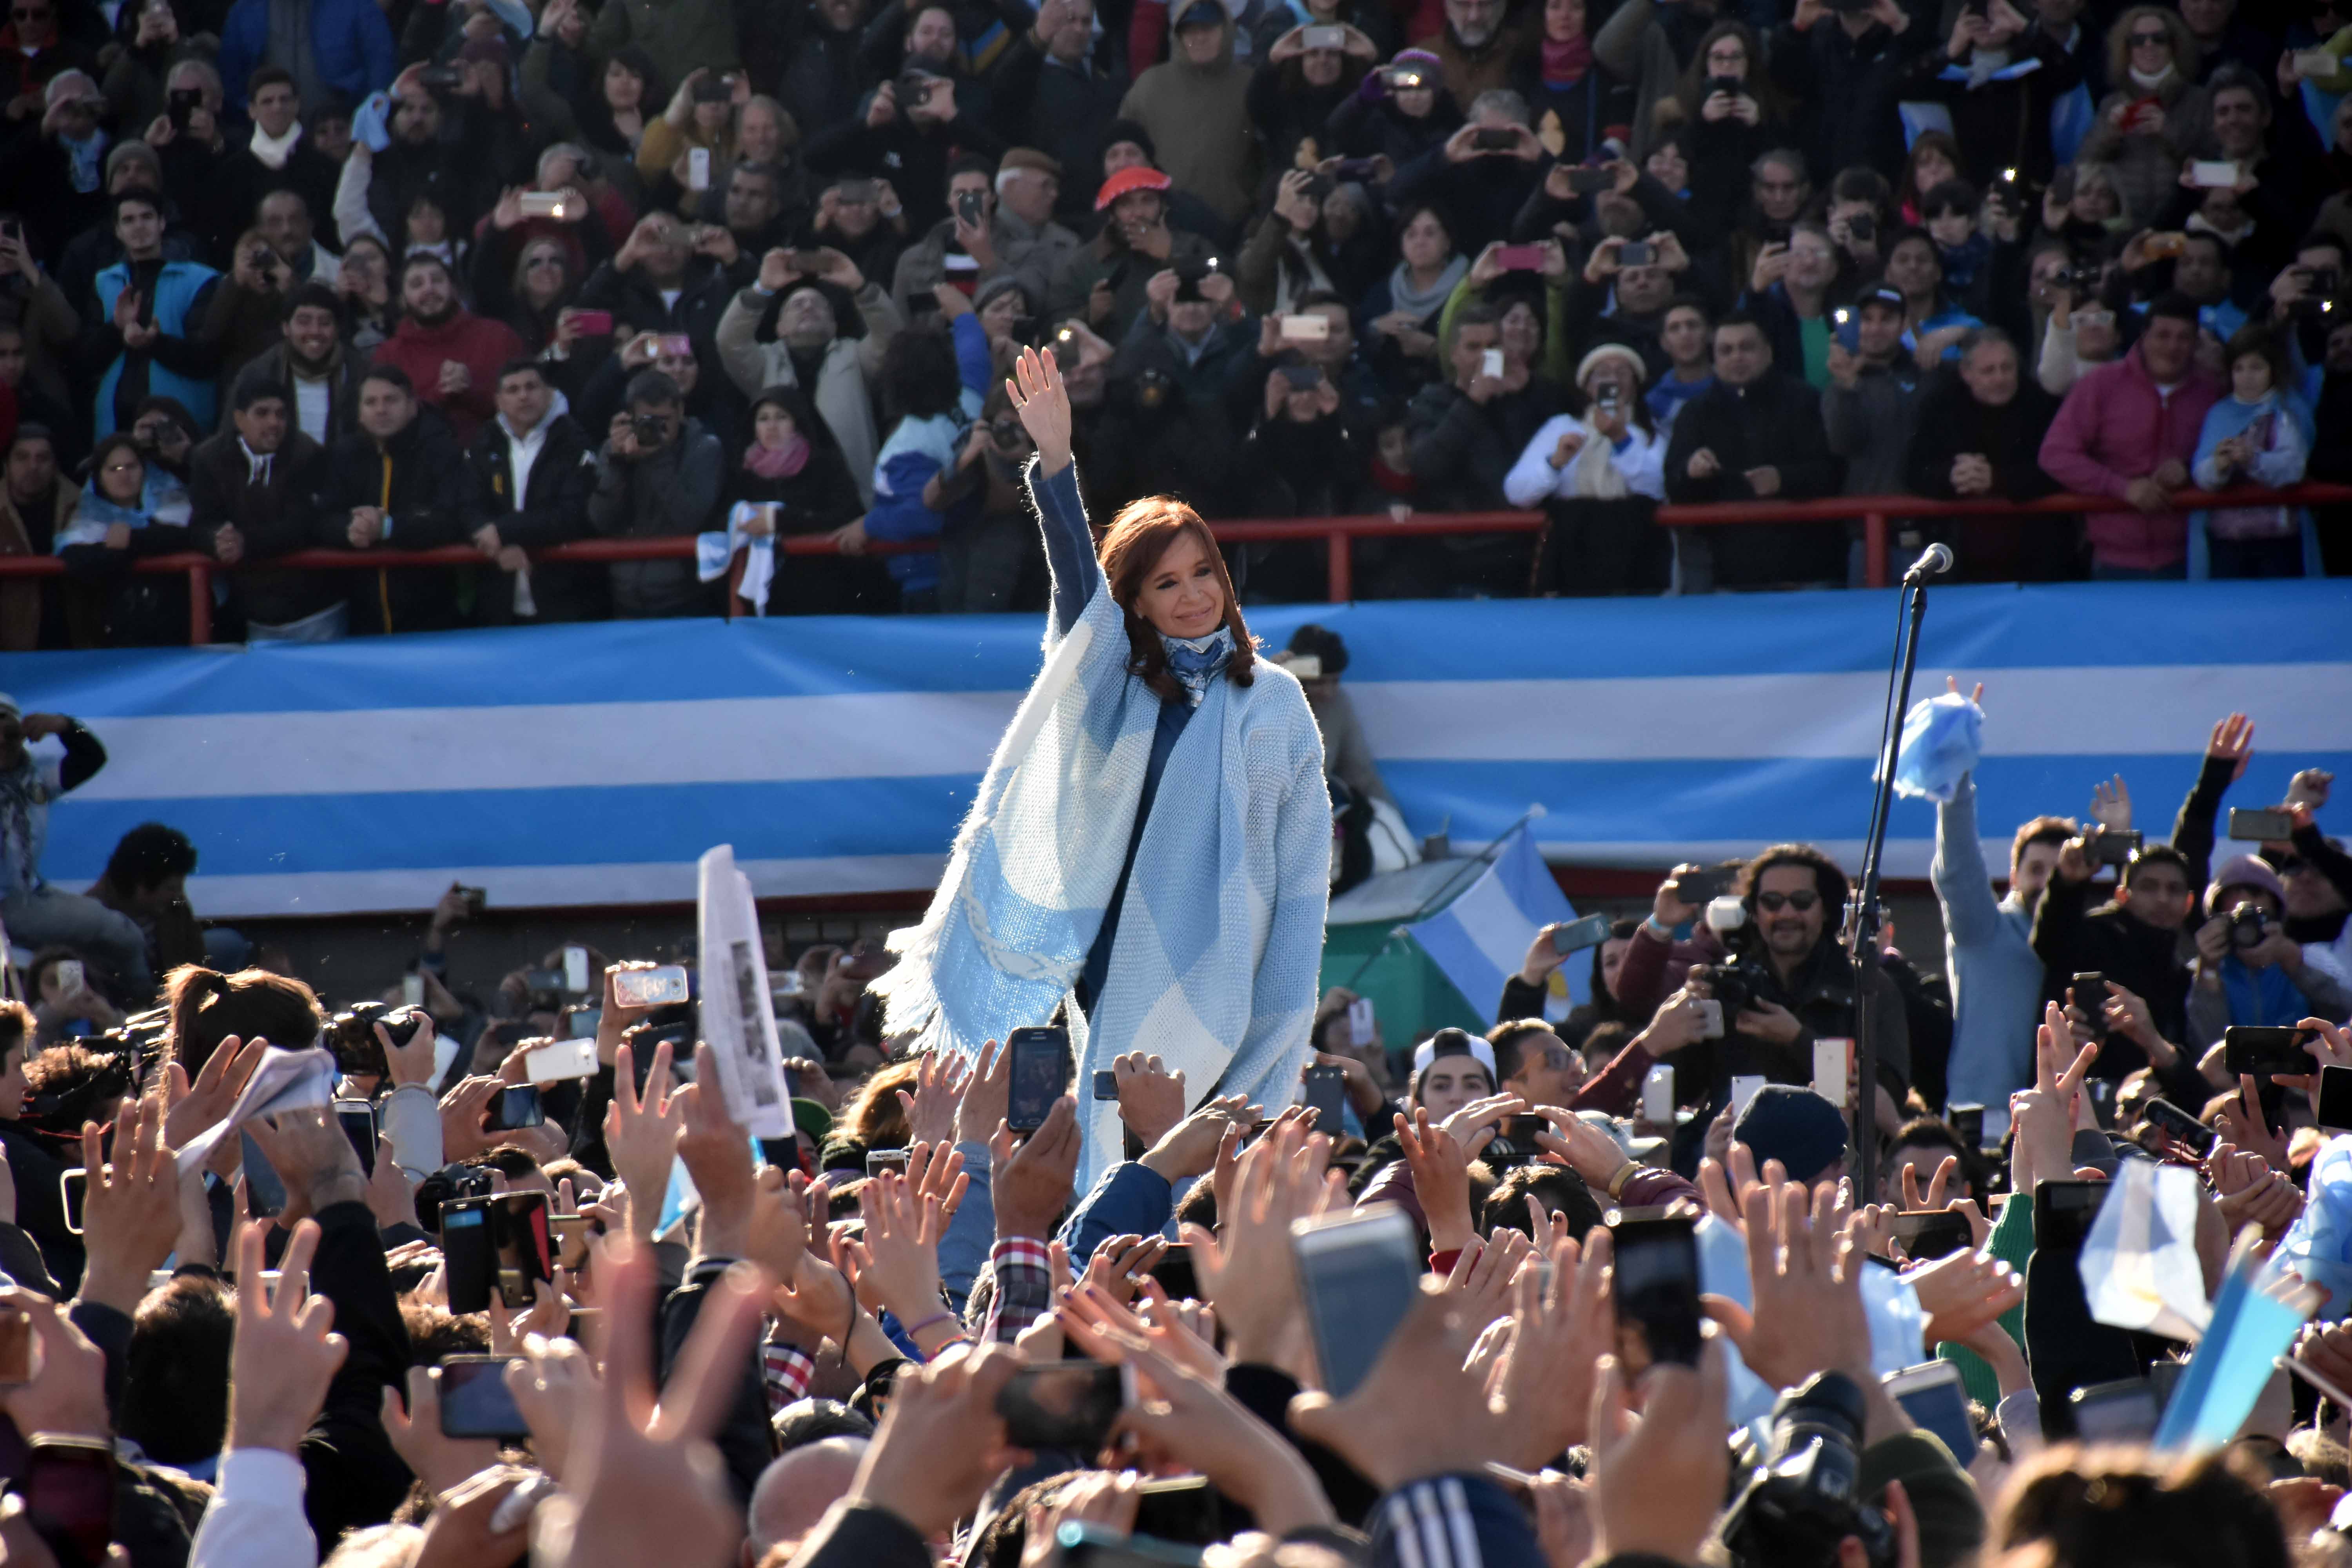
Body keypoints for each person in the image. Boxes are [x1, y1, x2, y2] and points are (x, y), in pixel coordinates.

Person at [871, 345, 1329, 1196]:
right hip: (1118, 963)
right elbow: (1080, 596)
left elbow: (1302, 884)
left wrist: (1280, 1030)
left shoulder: (1275, 701)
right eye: (1167, 583)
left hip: (1237, 977)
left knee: (1223, 1187)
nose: (1194, 595)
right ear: (1138, 602)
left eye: (1204, 573)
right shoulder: (1118, 687)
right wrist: (1056, 461)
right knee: (1124, 1175)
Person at [2039, 292, 2224, 578]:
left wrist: (2189, 471)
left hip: (2193, 560)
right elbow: (2055, 454)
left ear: (2195, 344)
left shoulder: (2210, 393)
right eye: (2163, 336)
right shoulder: (2100, 385)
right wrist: (2123, 488)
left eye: (2183, 338)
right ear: (2144, 337)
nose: (2172, 347)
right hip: (2113, 562)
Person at [1661, 312, 1842, 590]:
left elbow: (1834, 472)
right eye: (1726, 350)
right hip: (1726, 576)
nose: (1737, 357)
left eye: (1747, 348)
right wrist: (1691, 471)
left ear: (1768, 352)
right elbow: (1674, 485)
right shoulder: (1695, 413)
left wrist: (1783, 480)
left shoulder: (1805, 401)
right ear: (1714, 359)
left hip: (1806, 571)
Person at [0, 696, 149, 996]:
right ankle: (138, 999)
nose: (2, 743)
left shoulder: (36, 774)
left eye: (10, 734)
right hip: (7, 905)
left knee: (124, 938)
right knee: (113, 935)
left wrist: (66, 726)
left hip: (31, 894)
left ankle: (133, 1005)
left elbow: (91, 757)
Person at [313, 364, 474, 634]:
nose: (381, 410)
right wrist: (351, 528)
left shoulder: (441, 451)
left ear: (412, 406)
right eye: (371, 402)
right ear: (359, 412)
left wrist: (388, 527)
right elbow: (322, 518)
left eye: (391, 400)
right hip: (361, 618)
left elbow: (450, 518)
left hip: (432, 617)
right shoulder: (344, 455)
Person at [189, 371, 341, 642]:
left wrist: (245, 542)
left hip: (315, 610)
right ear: (239, 419)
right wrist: (218, 540)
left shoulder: (307, 454)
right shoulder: (208, 459)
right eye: (262, 413)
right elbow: (202, 522)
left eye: (281, 414)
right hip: (250, 612)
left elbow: (303, 526)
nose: (274, 422)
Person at [1508, 340, 1668, 596]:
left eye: (1622, 373)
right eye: (1603, 373)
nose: (1613, 380)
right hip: (1571, 555)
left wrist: (1620, 439)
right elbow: (1517, 492)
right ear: (1588, 386)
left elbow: (1657, 488)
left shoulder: (1650, 432)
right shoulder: (1562, 428)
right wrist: (1555, 463)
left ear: (1635, 384)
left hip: (1633, 557)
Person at [465, 359, 604, 625]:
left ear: (549, 394)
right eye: (513, 389)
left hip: (566, 603)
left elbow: (574, 514)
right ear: (499, 401)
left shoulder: (575, 444)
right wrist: (496, 544)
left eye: (531, 387)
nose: (523, 396)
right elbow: (468, 505)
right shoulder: (483, 444)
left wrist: (504, 531)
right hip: (498, 605)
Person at [587, 367, 722, 617]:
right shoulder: (614, 450)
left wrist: (657, 459)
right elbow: (601, 521)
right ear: (631, 417)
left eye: (665, 420)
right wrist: (619, 464)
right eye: (648, 421)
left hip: (685, 598)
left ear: (681, 411)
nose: (658, 429)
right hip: (624, 595)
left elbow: (689, 519)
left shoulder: (704, 449)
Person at [369, 252, 526, 450]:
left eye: (437, 280)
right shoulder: (389, 355)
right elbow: (386, 422)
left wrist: (470, 390)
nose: (429, 289)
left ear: (454, 289)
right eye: (417, 284)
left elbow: (528, 405)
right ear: (403, 300)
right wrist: (440, 393)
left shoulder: (498, 336)